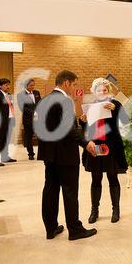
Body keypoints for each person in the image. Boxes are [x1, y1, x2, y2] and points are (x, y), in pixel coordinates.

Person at [37, 70, 97, 240]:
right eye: (74, 84)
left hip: (49, 154)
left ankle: (51, 228)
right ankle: (75, 230)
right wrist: (86, 143)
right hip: (65, 155)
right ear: (66, 83)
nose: (75, 87)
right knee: (70, 192)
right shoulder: (64, 101)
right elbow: (71, 130)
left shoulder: (44, 100)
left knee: (50, 189)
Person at [79, 78, 129, 224]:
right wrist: (82, 121)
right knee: (96, 178)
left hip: (111, 146)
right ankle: (94, 211)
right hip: (95, 145)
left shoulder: (115, 103)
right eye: (99, 90)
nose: (102, 92)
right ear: (94, 92)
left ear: (109, 90)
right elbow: (86, 130)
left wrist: (116, 109)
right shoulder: (90, 106)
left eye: (104, 90)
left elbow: (126, 121)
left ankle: (116, 210)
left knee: (113, 177)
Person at [17, 78, 41, 160]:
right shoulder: (20, 95)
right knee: (29, 137)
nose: (33, 87)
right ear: (26, 86)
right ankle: (31, 154)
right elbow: (22, 108)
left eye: (33, 85)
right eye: (31, 85)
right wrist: (34, 113)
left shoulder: (36, 93)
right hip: (28, 120)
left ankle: (41, 154)